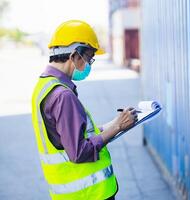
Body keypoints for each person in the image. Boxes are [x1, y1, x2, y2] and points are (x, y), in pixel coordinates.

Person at [31, 20, 137, 200]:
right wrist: (117, 128)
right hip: (89, 195)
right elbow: (78, 152)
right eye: (89, 58)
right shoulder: (63, 96)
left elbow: (69, 136)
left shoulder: (44, 85)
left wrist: (116, 123)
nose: (89, 64)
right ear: (75, 55)